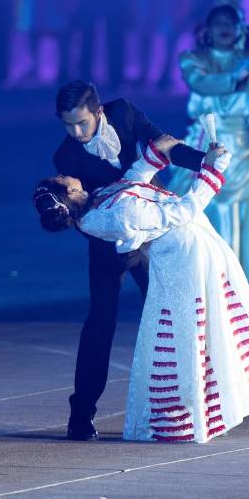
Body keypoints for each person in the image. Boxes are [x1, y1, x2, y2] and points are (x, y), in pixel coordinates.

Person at [34, 140, 249, 442]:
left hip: (192, 251)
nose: (69, 175)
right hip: (186, 260)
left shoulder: (98, 203)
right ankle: (179, 418)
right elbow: (182, 212)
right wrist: (213, 171)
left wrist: (156, 155)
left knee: (225, 327)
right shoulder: (112, 216)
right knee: (198, 335)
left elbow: (132, 180)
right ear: (70, 193)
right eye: (64, 179)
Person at [51, 81, 205, 439]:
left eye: (82, 123)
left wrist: (203, 161)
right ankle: (81, 414)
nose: (75, 132)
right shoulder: (66, 158)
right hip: (107, 239)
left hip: (154, 231)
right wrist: (122, 242)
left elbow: (163, 145)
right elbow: (82, 219)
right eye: (67, 125)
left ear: (99, 112)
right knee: (100, 321)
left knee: (178, 310)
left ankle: (194, 405)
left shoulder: (123, 112)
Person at [170, 5, 249, 323]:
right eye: (218, 22)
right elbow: (204, 85)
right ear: (207, 28)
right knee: (201, 219)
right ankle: (202, 304)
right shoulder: (192, 59)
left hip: (243, 150)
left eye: (232, 23)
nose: (225, 28)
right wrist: (243, 69)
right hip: (207, 147)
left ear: (240, 29)